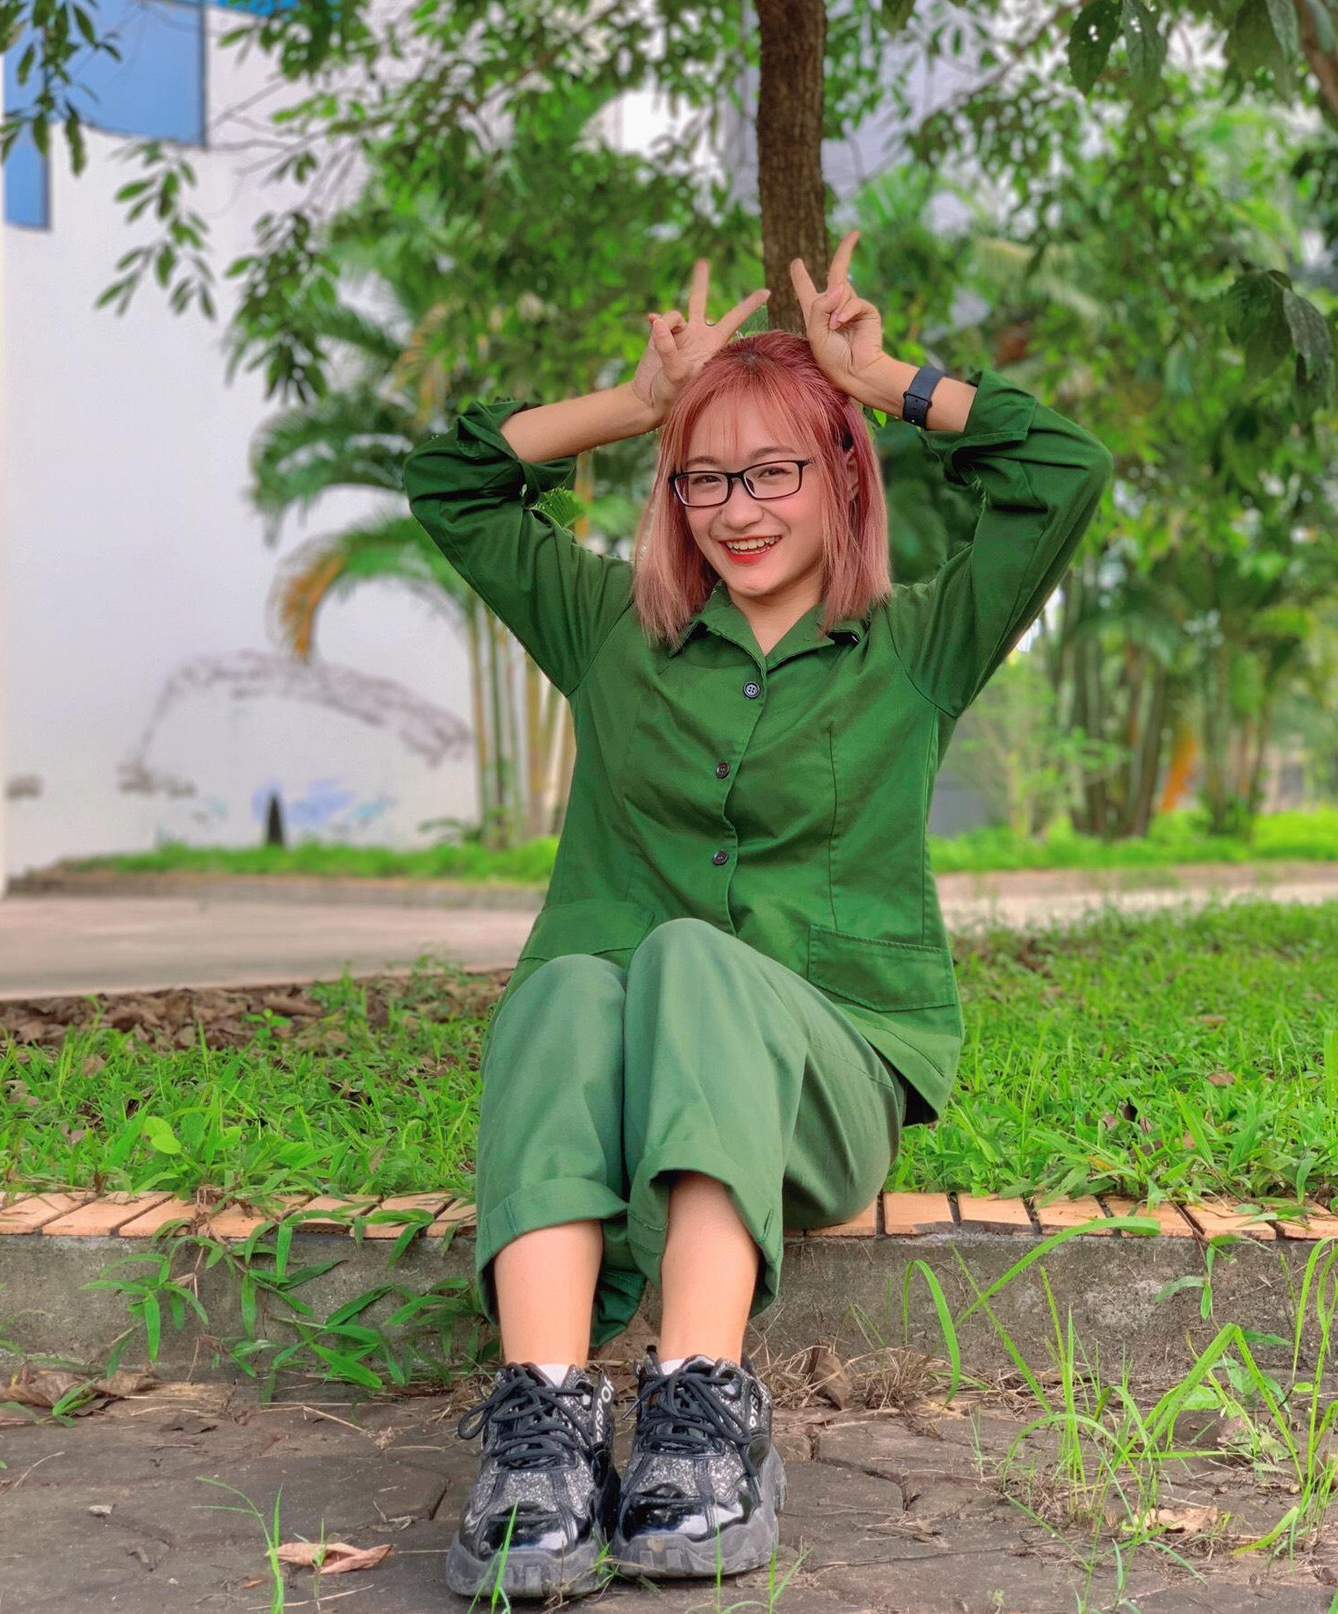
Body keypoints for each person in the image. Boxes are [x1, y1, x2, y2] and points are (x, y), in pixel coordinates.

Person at [403, 231, 1113, 1601]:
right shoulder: (611, 630)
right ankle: (544, 1430)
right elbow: (450, 478)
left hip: (818, 1085)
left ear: (840, 475)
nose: (737, 508)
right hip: (620, 1081)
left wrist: (887, 383)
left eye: (774, 469)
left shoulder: (915, 646)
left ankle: (700, 1409)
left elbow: (1063, 470)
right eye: (705, 475)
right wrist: (635, 405)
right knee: (569, 980)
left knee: (688, 954)